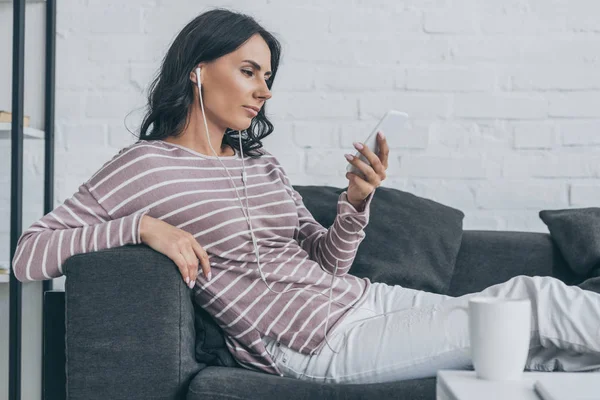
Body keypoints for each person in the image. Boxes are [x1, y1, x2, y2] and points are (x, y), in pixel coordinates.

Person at [12, 8, 600, 385]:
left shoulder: (260, 165)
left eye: (268, 77)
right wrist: (142, 227)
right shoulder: (145, 167)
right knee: (533, 301)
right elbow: (27, 253)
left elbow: (325, 261)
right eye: (249, 72)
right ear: (197, 70)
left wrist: (356, 203)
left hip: (364, 300)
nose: (263, 91)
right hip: (317, 343)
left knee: (540, 349)